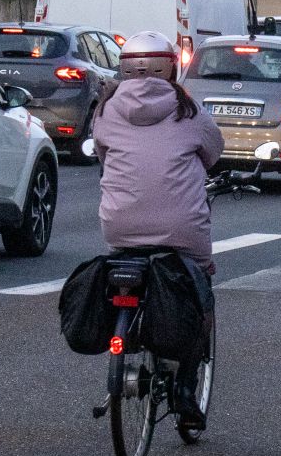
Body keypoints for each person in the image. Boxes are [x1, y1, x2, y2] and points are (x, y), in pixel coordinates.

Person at [91, 31, 223, 425]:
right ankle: (184, 390)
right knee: (200, 291)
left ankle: (128, 332)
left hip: (119, 226)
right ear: (172, 67)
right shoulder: (188, 109)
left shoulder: (106, 108)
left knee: (125, 270)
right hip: (181, 229)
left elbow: (101, 151)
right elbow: (212, 152)